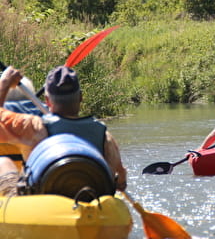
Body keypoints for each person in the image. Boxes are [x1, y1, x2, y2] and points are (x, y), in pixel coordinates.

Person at [0, 65, 127, 197]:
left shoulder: (34, 127)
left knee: (3, 163)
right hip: (92, 204)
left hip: (42, 203)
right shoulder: (104, 135)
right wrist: (120, 182)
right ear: (80, 98)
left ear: (47, 101)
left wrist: (4, 83)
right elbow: (121, 179)